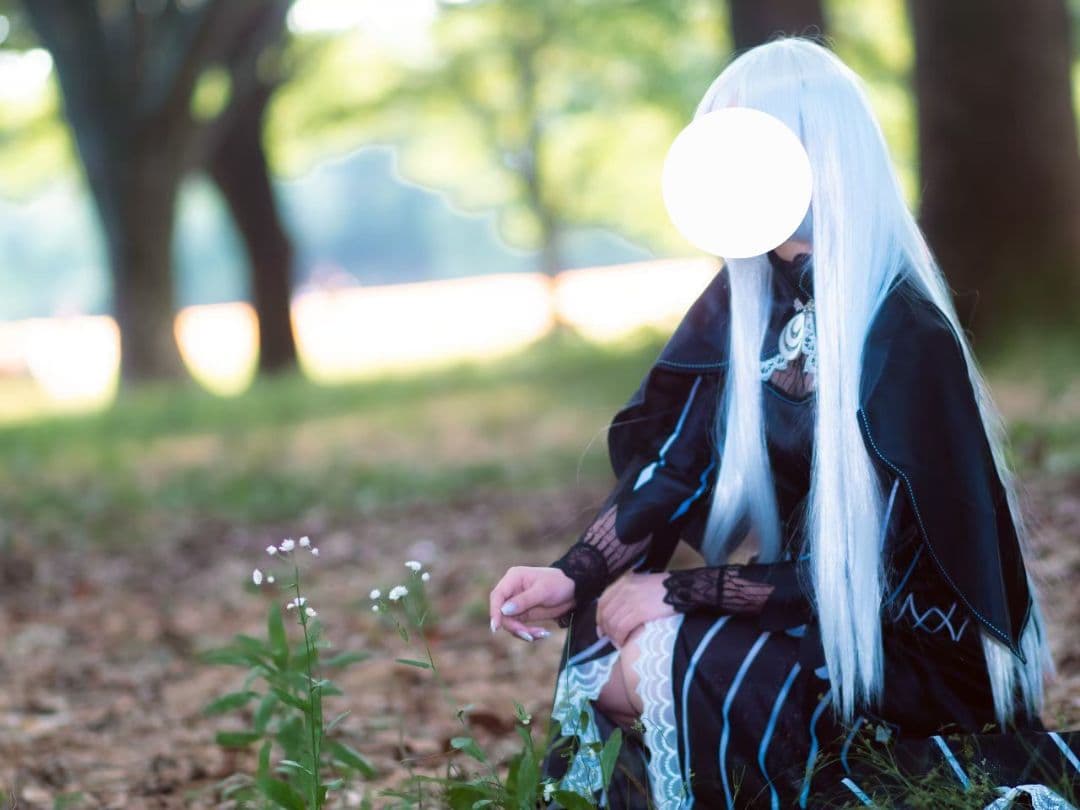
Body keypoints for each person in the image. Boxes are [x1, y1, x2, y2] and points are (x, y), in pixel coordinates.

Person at [488, 36, 1079, 808]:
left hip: (911, 651)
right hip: (811, 613)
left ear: (811, 154)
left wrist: (682, 592)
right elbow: (678, 463)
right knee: (605, 638)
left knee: (654, 660)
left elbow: (880, 578)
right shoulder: (748, 301)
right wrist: (573, 575)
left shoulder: (903, 336)